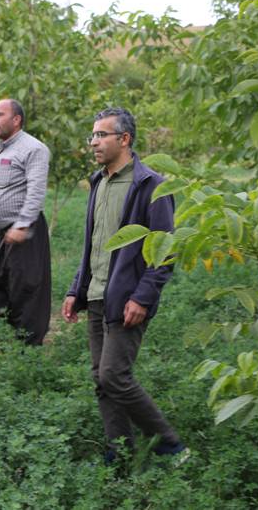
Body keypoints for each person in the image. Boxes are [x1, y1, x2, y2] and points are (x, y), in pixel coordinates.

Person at [61, 107, 187, 464]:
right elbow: (93, 245)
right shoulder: (98, 182)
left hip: (127, 298)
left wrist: (143, 296)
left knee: (114, 375)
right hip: (97, 293)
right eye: (93, 135)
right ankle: (120, 452)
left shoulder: (150, 185)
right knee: (102, 380)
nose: (93, 142)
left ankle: (169, 443)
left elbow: (165, 249)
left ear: (125, 139)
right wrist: (76, 289)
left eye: (101, 135)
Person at [0, 99, 51, 345]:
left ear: (16, 119)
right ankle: (15, 327)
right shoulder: (1, 150)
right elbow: (1, 185)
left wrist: (23, 225)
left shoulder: (33, 148)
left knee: (26, 290)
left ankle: (28, 348)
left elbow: (36, 191)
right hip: (0, 235)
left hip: (22, 231)